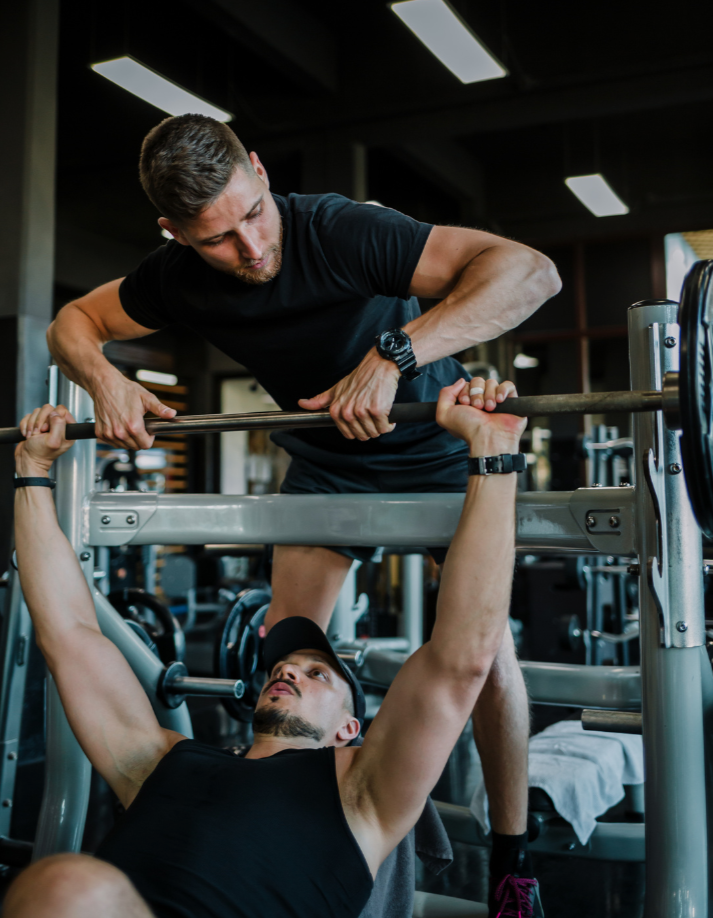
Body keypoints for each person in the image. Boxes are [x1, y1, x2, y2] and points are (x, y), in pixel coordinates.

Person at [46, 115, 561, 900]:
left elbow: (530, 272)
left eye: (252, 212)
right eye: (216, 238)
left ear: (257, 168)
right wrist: (105, 380)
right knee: (287, 654)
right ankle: (333, 827)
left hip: (436, 457)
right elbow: (72, 322)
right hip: (326, 467)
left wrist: (394, 353)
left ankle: (511, 860)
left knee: (485, 659)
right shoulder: (176, 277)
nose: (249, 249)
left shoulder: (338, 231)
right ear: (173, 233)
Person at [5, 382, 536, 918]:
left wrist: (493, 455)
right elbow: (68, 632)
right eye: (285, 665)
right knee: (62, 889)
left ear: (349, 731)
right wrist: (31, 469)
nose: (288, 669)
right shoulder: (156, 763)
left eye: (318, 674)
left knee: (66, 887)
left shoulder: (362, 795)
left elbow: (462, 657)